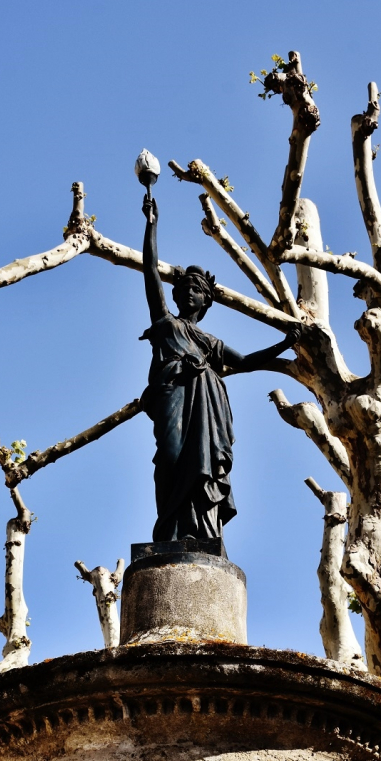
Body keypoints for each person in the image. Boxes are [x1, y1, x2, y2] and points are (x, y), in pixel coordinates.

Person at [140, 194, 301, 542]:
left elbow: (244, 362)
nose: (187, 293)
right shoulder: (166, 323)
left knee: (203, 465)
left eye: (195, 290)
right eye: (183, 288)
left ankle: (201, 532)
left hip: (208, 404)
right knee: (169, 458)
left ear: (206, 300)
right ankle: (167, 531)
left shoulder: (210, 342)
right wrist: (151, 225)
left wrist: (286, 344)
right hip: (174, 395)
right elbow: (150, 271)